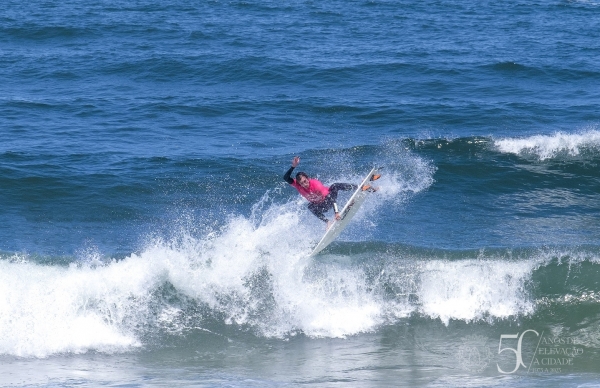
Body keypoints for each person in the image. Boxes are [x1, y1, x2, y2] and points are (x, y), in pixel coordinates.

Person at [283, 156, 360, 228]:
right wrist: (293, 166)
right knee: (310, 206)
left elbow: (331, 198)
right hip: (322, 206)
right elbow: (286, 178)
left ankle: (358, 187)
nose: (304, 184)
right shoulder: (298, 185)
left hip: (329, 200)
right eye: (301, 183)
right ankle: (327, 222)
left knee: (335, 186)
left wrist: (336, 213)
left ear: (308, 178)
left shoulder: (316, 184)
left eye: (305, 181)